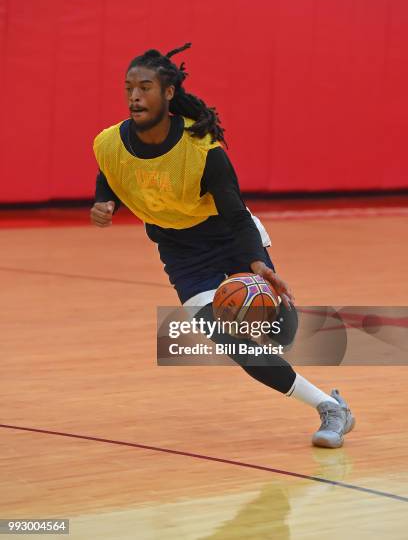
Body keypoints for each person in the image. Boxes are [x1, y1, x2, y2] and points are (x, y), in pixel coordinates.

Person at [91, 43, 355, 448]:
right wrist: (104, 199)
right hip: (181, 252)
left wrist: (259, 266)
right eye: (129, 87)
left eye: (145, 87)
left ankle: (282, 310)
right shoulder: (109, 143)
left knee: (278, 333)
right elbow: (112, 168)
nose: (134, 96)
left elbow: (235, 215)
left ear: (169, 94)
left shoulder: (203, 151)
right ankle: (330, 408)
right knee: (231, 340)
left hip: (227, 235)